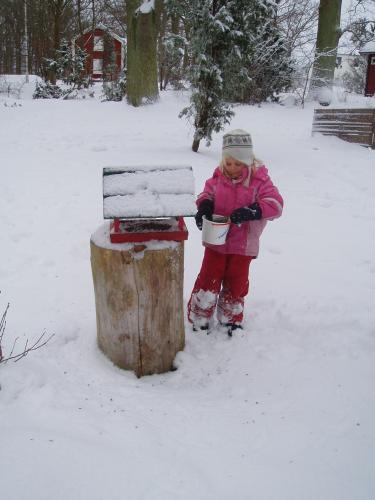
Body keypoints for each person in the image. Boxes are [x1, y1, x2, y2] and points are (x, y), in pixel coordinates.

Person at [188, 129, 283, 336]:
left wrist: (253, 211)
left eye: (238, 164)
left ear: (248, 161)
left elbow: (276, 205)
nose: (232, 168)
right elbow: (206, 194)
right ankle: (201, 316)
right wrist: (204, 206)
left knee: (236, 282)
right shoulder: (217, 178)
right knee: (208, 278)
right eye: (228, 163)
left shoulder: (260, 181)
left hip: (243, 244)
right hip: (216, 241)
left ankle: (230, 317)